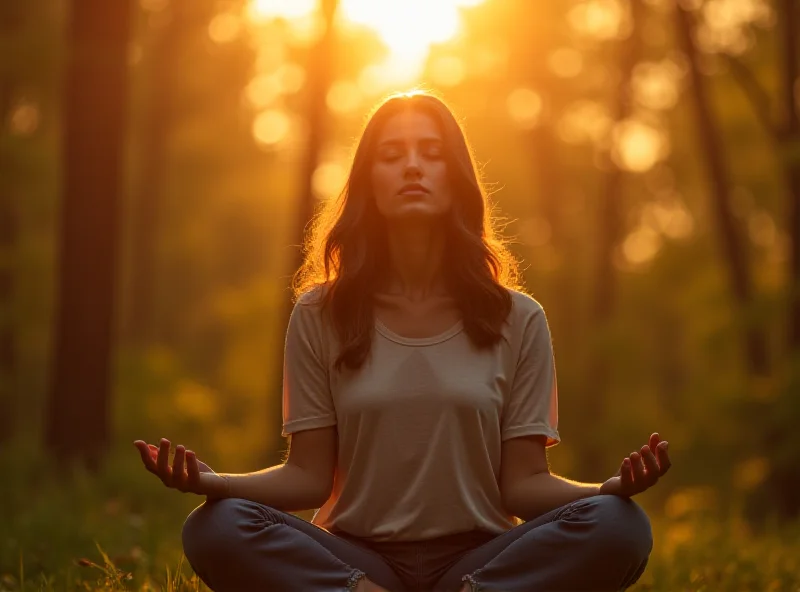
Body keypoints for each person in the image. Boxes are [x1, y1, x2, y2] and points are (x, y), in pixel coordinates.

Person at [134, 90, 671, 592]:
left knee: (620, 526)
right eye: (392, 154)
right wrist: (213, 482)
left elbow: (525, 485)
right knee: (215, 526)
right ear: (369, 179)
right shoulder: (320, 312)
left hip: (481, 560)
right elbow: (307, 477)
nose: (413, 166)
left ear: (456, 175)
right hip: (355, 560)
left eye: (431, 153)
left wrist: (606, 492)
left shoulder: (518, 318)